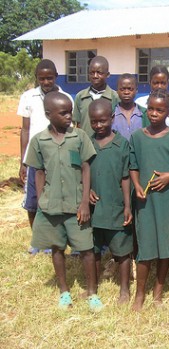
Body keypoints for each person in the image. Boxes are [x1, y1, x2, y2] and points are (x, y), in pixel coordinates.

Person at [25, 92, 103, 311]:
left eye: (70, 111)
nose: (69, 115)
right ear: (49, 114)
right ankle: (64, 292)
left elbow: (86, 168)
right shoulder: (39, 141)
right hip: (52, 207)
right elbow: (38, 172)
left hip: (77, 204)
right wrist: (42, 200)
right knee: (57, 248)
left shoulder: (78, 137)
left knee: (86, 249)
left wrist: (85, 203)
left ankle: (92, 293)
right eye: (64, 112)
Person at [129, 88, 169, 311]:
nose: (154, 113)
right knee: (145, 246)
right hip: (145, 200)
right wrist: (136, 185)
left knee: (165, 246)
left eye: (159, 110)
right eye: (151, 109)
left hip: (168, 198)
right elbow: (133, 166)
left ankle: (158, 293)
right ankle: (140, 294)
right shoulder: (137, 137)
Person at [18, 59, 73, 254]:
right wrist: (23, 161)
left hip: (56, 157)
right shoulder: (28, 97)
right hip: (35, 157)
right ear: (37, 78)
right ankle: (37, 240)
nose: (46, 82)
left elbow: (70, 127)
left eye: (49, 78)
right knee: (33, 200)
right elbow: (25, 130)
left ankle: (55, 240)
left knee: (55, 198)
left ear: (56, 76)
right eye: (42, 78)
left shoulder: (65, 97)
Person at [88, 98, 133, 304]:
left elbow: (125, 177)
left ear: (112, 119)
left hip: (116, 206)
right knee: (94, 250)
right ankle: (93, 286)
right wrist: (86, 190)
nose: (98, 125)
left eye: (103, 121)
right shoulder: (86, 143)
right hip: (94, 209)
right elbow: (80, 172)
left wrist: (127, 205)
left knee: (122, 250)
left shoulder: (122, 144)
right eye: (94, 121)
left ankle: (124, 290)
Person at [73, 55, 119, 137]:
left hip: (107, 145)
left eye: (99, 73)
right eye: (92, 73)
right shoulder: (80, 97)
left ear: (107, 75)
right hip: (86, 145)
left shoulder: (115, 97)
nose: (95, 76)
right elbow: (78, 124)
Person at [135, 65, 169, 129]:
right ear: (150, 82)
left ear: (167, 83)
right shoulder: (139, 103)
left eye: (163, 83)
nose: (159, 86)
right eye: (156, 83)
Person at [112, 73, 149, 141]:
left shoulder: (144, 113)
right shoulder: (111, 113)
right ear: (117, 91)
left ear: (136, 90)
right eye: (122, 89)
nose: (126, 92)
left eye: (130, 89)